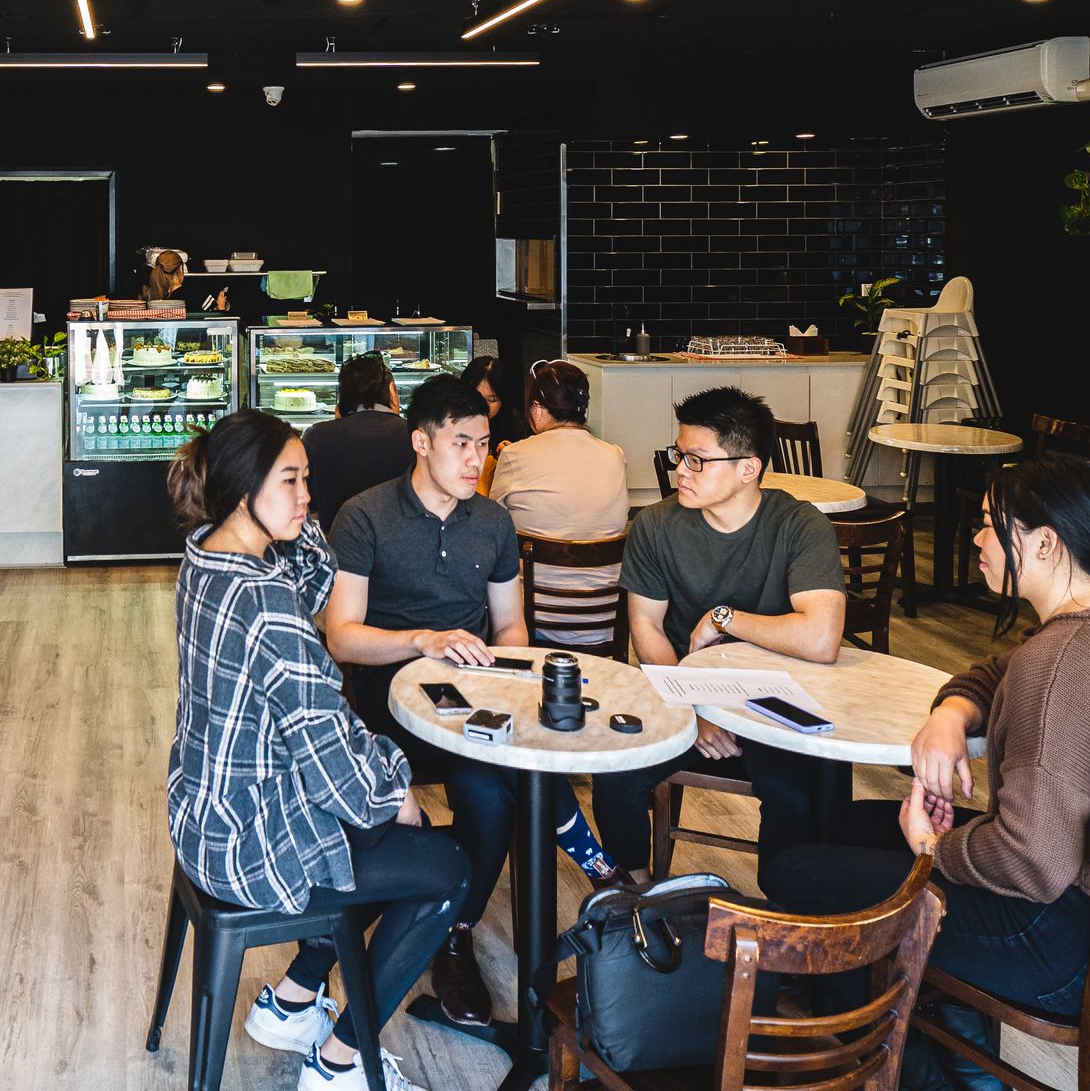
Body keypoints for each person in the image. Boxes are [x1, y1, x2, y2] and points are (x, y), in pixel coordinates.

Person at [770, 455, 1090, 1091]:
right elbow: (998, 671)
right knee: (850, 823)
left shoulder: (1060, 660)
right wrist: (951, 716)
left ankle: (904, 1068)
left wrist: (933, 848)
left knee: (799, 872)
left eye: (990, 524)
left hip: (1074, 951)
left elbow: (1028, 864)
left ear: (1044, 542)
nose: (975, 537)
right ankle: (956, 1045)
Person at [166, 407, 467, 1091]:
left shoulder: (207, 555)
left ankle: (296, 999)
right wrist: (399, 794)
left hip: (203, 812)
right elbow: (336, 768)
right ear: (245, 492)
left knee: (377, 843)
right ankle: (340, 1063)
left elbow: (315, 575)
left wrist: (293, 520)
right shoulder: (266, 603)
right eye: (293, 481)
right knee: (445, 865)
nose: (308, 497)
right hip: (252, 839)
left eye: (309, 481)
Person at [327, 376, 620, 1028]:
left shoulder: (492, 520)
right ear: (420, 442)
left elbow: (509, 625)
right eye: (460, 444)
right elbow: (343, 638)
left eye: (482, 444)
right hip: (393, 696)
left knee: (491, 789)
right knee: (497, 784)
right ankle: (599, 868)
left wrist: (510, 670)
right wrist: (420, 641)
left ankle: (454, 933)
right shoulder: (365, 515)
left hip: (475, 689)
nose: (473, 460)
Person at [589, 385, 844, 885]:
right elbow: (646, 627)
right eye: (678, 455)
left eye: (697, 460)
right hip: (683, 697)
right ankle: (637, 893)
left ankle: (785, 914)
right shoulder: (657, 526)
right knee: (613, 765)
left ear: (748, 467)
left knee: (797, 791)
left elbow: (820, 638)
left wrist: (724, 618)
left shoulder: (800, 526)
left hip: (773, 702)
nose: (680, 470)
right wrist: (694, 711)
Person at [488, 360, 629, 648]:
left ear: (537, 409)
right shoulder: (614, 455)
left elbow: (492, 526)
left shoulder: (515, 455)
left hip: (534, 620)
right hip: (605, 619)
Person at [302, 354, 415, 529]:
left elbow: (309, 507)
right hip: (403, 545)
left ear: (342, 397)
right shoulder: (415, 436)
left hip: (338, 545)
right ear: (392, 392)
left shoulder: (316, 437)